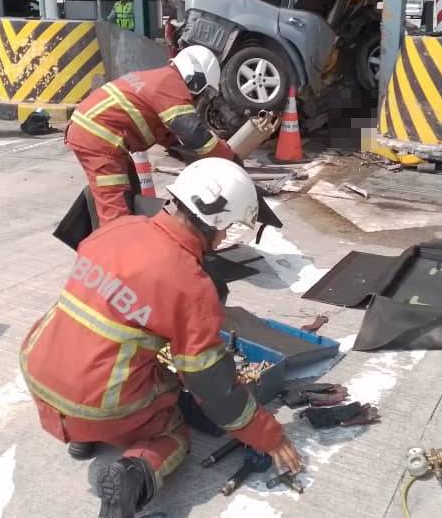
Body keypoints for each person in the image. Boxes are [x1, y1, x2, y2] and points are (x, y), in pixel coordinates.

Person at [20, 158, 303, 518]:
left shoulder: (118, 229)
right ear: (217, 222)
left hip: (39, 370)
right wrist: (268, 435)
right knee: (171, 424)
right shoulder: (191, 285)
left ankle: (84, 438)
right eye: (229, 228)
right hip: (96, 403)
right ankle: (131, 475)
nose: (224, 238)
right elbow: (212, 386)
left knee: (117, 353)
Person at [66, 45, 237, 226]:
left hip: (96, 132)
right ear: (196, 80)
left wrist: (189, 156)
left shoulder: (161, 78)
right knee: (116, 201)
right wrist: (230, 157)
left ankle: (119, 233)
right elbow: (195, 134)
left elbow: (167, 134)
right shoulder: (171, 85)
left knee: (131, 189)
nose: (199, 99)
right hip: (98, 137)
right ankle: (116, 238)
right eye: (203, 93)